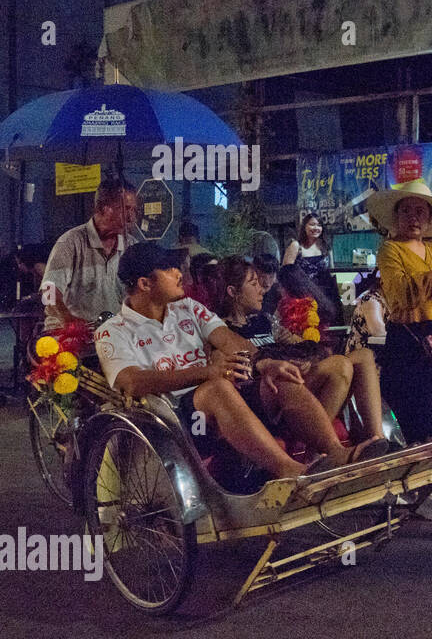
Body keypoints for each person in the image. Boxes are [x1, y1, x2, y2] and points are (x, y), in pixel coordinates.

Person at [94, 243, 364, 480]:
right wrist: (207, 372)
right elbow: (131, 381)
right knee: (217, 388)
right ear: (144, 284)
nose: (179, 273)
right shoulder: (112, 331)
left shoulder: (188, 309)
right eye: (168, 269)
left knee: (279, 377)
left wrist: (263, 364)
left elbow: (231, 342)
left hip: (225, 401)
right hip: (176, 420)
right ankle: (288, 470)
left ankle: (335, 453)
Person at [217, 255, 387, 454]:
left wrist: (303, 359)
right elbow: (233, 375)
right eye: (253, 284)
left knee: (364, 356)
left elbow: (300, 346)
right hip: (274, 395)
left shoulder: (264, 321)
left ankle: (377, 439)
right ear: (233, 292)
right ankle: (316, 451)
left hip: (296, 377)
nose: (262, 289)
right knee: (340, 366)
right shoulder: (223, 332)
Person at [368, 180, 432, 521]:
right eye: (407, 211)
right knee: (415, 415)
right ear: (396, 217)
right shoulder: (389, 250)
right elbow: (399, 293)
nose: (414, 217)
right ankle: (425, 492)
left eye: (420, 211)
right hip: (407, 340)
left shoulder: (431, 249)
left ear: (428, 218)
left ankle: (421, 487)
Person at [41, 175, 139, 330]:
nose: (131, 217)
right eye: (125, 209)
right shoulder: (70, 243)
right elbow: (49, 291)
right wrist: (68, 318)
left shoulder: (132, 245)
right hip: (71, 336)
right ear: (102, 208)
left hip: (114, 334)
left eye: (134, 210)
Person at [345, 270, 388, 354]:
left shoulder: (391, 300)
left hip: (380, 353)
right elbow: (377, 330)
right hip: (363, 357)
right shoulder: (371, 300)